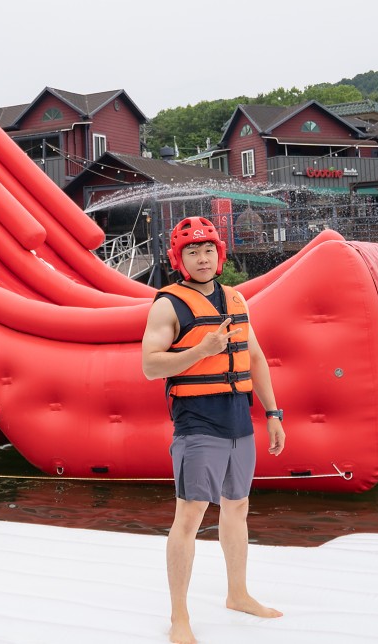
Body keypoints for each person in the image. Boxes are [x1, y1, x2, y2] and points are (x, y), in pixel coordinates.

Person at [141, 216, 286, 644]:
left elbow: (255, 359)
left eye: (208, 250)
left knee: (237, 506)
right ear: (179, 259)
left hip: (239, 416)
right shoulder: (167, 304)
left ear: (219, 254)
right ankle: (179, 617)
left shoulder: (237, 299)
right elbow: (150, 365)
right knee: (189, 515)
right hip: (197, 419)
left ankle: (237, 594)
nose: (202, 258)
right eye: (192, 251)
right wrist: (202, 349)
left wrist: (273, 413)